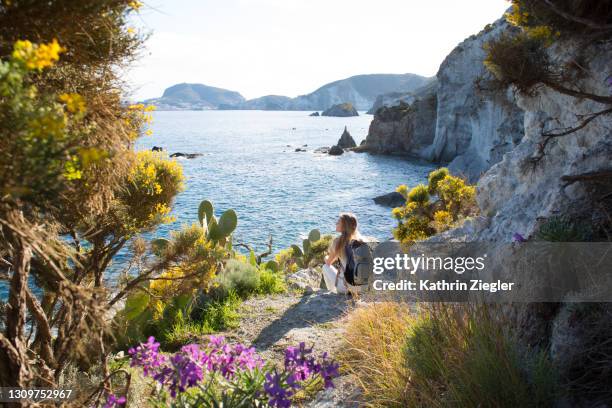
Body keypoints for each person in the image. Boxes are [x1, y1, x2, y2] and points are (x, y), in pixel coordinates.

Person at [323, 212, 363, 295]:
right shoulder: (361, 240)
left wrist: (325, 257)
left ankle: (333, 292)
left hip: (344, 288)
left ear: (344, 226)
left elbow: (329, 262)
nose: (336, 223)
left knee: (325, 267)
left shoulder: (338, 242)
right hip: (361, 288)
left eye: (338, 222)